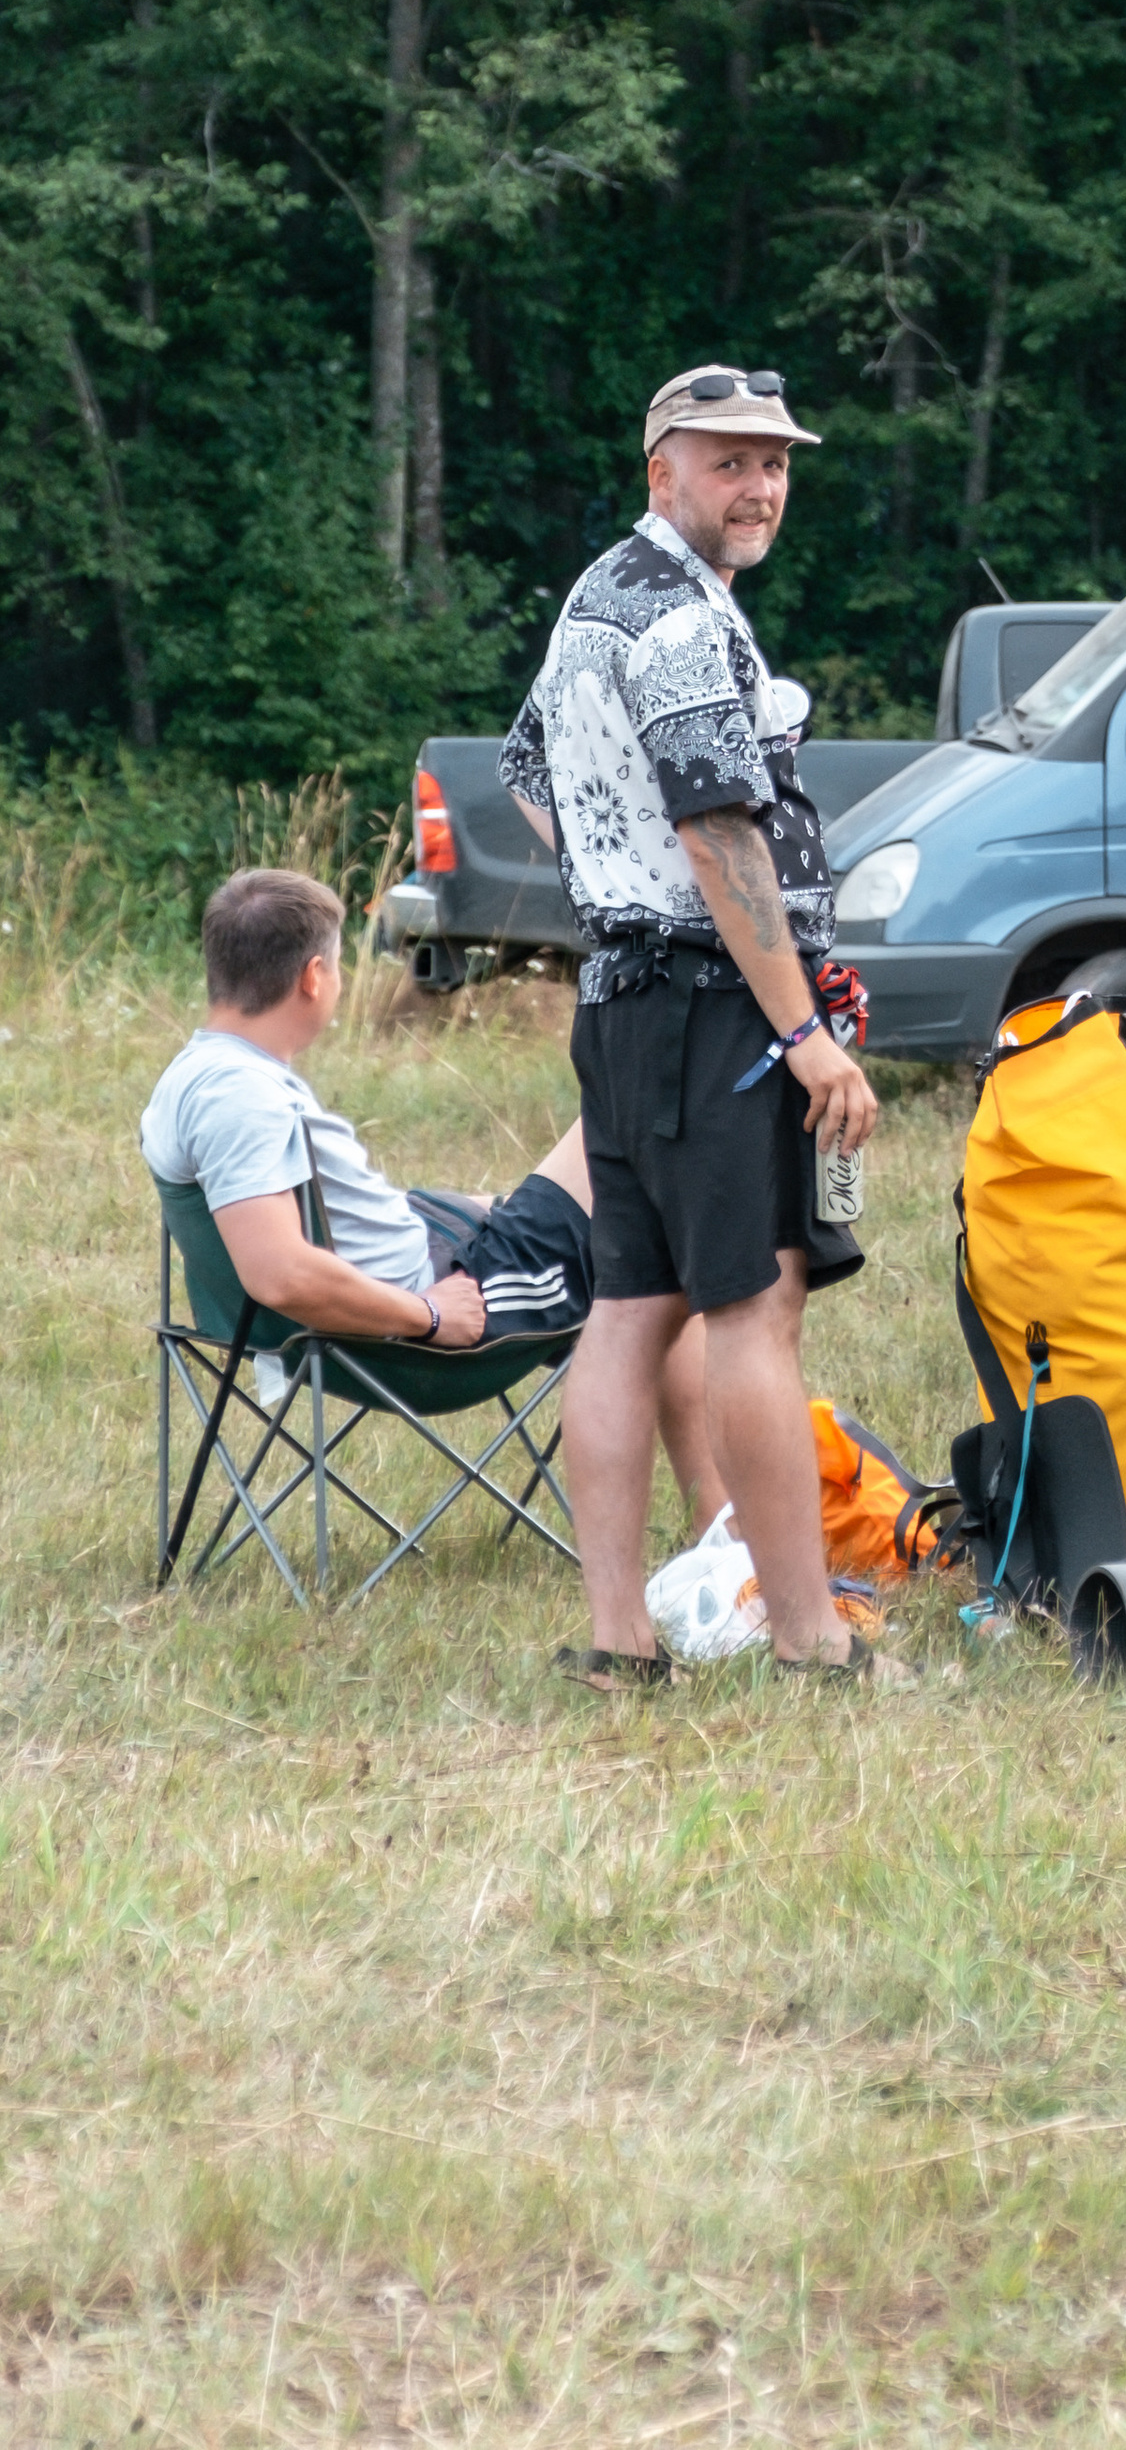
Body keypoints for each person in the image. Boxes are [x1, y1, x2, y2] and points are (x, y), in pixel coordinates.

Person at [502, 362, 880, 1688]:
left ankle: (620, 1642)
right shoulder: (673, 619)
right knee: (753, 1313)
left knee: (629, 1309)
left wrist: (612, 886)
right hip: (715, 1010)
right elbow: (719, 834)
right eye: (728, 462)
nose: (758, 486)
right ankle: (812, 1641)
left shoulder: (600, 594)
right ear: (660, 469)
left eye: (773, 463)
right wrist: (803, 1033)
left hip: (624, 1002)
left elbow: (528, 767)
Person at [139, 869, 721, 1530]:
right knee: (653, 1230)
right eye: (337, 967)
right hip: (432, 1315)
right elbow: (280, 1275)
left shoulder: (198, 1072)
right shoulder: (242, 1100)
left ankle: (724, 1521)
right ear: (313, 978)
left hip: (416, 1266)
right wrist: (428, 1314)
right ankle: (724, 1531)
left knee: (603, 1155)